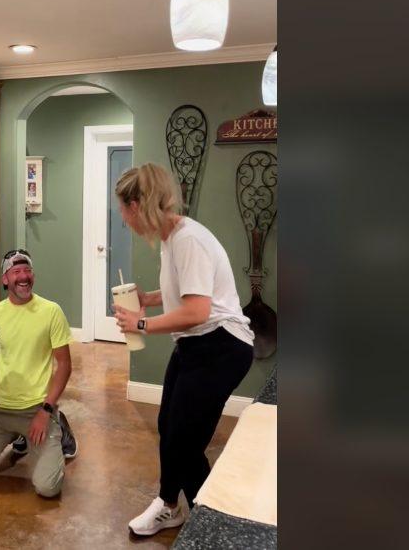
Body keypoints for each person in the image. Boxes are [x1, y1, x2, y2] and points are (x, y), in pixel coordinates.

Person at [111, 163, 254, 537]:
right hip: (197, 345)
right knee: (169, 428)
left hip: (221, 346)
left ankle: (214, 528)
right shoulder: (171, 237)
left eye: (123, 211)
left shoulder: (188, 239)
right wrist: (148, 299)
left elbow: (197, 310)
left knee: (186, 440)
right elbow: (187, 292)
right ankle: (170, 507)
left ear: (137, 205)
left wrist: (140, 324)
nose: (124, 220)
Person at [0, 249, 78, 497]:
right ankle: (19, 438)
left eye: (27, 270)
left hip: (37, 411)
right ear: (5, 279)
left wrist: (46, 410)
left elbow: (64, 365)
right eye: (16, 272)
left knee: (47, 488)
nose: (23, 277)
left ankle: (59, 425)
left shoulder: (51, 311)